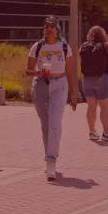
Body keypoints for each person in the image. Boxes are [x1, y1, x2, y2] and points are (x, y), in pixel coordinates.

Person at [25, 16, 79, 180]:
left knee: (55, 122)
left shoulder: (64, 47)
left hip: (59, 84)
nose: (49, 29)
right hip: (41, 84)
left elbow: (70, 72)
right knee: (46, 124)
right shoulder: (37, 46)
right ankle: (50, 155)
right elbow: (28, 70)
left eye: (52, 27)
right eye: (46, 26)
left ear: (57, 30)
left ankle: (51, 161)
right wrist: (38, 72)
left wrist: (74, 94)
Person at [79, 26, 108, 141]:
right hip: (102, 79)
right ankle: (106, 133)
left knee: (91, 107)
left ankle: (92, 132)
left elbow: (80, 62)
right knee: (104, 106)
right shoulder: (106, 45)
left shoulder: (83, 46)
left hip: (87, 79)